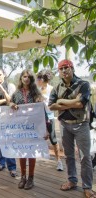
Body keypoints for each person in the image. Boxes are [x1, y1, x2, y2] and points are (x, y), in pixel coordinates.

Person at [48, 59, 95, 198]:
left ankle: (87, 187)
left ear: (72, 68)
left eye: (66, 67)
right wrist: (72, 102)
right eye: (61, 68)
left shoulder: (83, 84)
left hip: (81, 124)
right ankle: (72, 180)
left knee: (85, 157)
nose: (64, 70)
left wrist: (61, 102)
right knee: (68, 155)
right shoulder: (57, 87)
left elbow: (81, 103)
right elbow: (51, 106)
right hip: (64, 124)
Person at [10, 69, 44, 190]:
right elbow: (10, 102)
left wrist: (44, 129)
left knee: (31, 152)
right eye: (24, 76)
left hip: (33, 127)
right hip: (20, 127)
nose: (26, 79)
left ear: (32, 79)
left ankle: (31, 178)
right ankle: (23, 177)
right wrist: (11, 105)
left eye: (28, 77)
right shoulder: (17, 93)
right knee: (22, 152)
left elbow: (41, 111)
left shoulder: (36, 93)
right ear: (21, 78)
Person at [0, 69, 17, 177]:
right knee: (0, 140)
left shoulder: (10, 86)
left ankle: (12, 167)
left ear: (4, 75)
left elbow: (11, 100)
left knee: (8, 141)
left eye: (0, 75)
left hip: (9, 117)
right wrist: (4, 101)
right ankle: (1, 163)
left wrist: (4, 96)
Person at [36, 69, 64, 171]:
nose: (37, 80)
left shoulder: (52, 89)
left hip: (49, 117)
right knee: (35, 138)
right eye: (37, 78)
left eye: (39, 78)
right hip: (38, 118)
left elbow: (57, 104)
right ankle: (31, 159)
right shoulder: (36, 90)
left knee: (53, 140)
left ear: (44, 79)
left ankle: (59, 161)